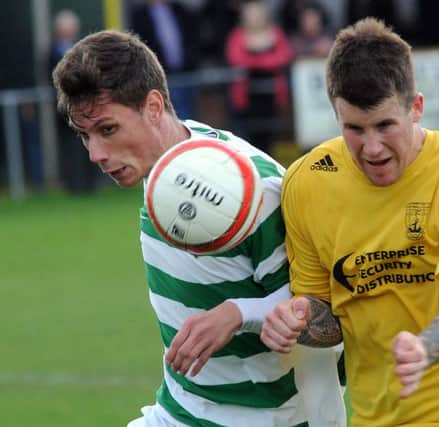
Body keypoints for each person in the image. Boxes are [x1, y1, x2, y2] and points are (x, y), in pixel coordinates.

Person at [52, 29, 345, 427]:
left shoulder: (251, 189)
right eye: (84, 135)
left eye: (107, 130)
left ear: (154, 107)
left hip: (258, 418)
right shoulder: (164, 171)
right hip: (180, 410)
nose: (96, 154)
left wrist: (236, 313)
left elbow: (321, 307)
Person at [261, 18, 439, 426]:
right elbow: (327, 314)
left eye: (385, 125)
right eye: (353, 128)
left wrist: (426, 346)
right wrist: (298, 318)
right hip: (381, 417)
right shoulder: (306, 184)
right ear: (335, 113)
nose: (372, 148)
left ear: (416, 107)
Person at [225, 0, 293, 155]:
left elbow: (284, 57)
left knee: (269, 138)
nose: (254, 18)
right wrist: (265, 59)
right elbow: (236, 59)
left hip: (271, 97)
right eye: (250, 15)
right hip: (246, 98)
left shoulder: (275, 33)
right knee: (248, 138)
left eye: (256, 15)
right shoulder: (237, 36)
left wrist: (255, 59)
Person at [48, 9, 98, 194]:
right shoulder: (52, 52)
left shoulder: (83, 49)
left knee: (90, 144)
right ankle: (73, 185)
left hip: (87, 107)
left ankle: (90, 185)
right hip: (65, 110)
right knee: (70, 148)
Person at [129, 0, 199, 120]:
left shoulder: (179, 9)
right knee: (170, 114)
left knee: (188, 113)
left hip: (187, 74)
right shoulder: (140, 16)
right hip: (162, 77)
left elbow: (193, 35)